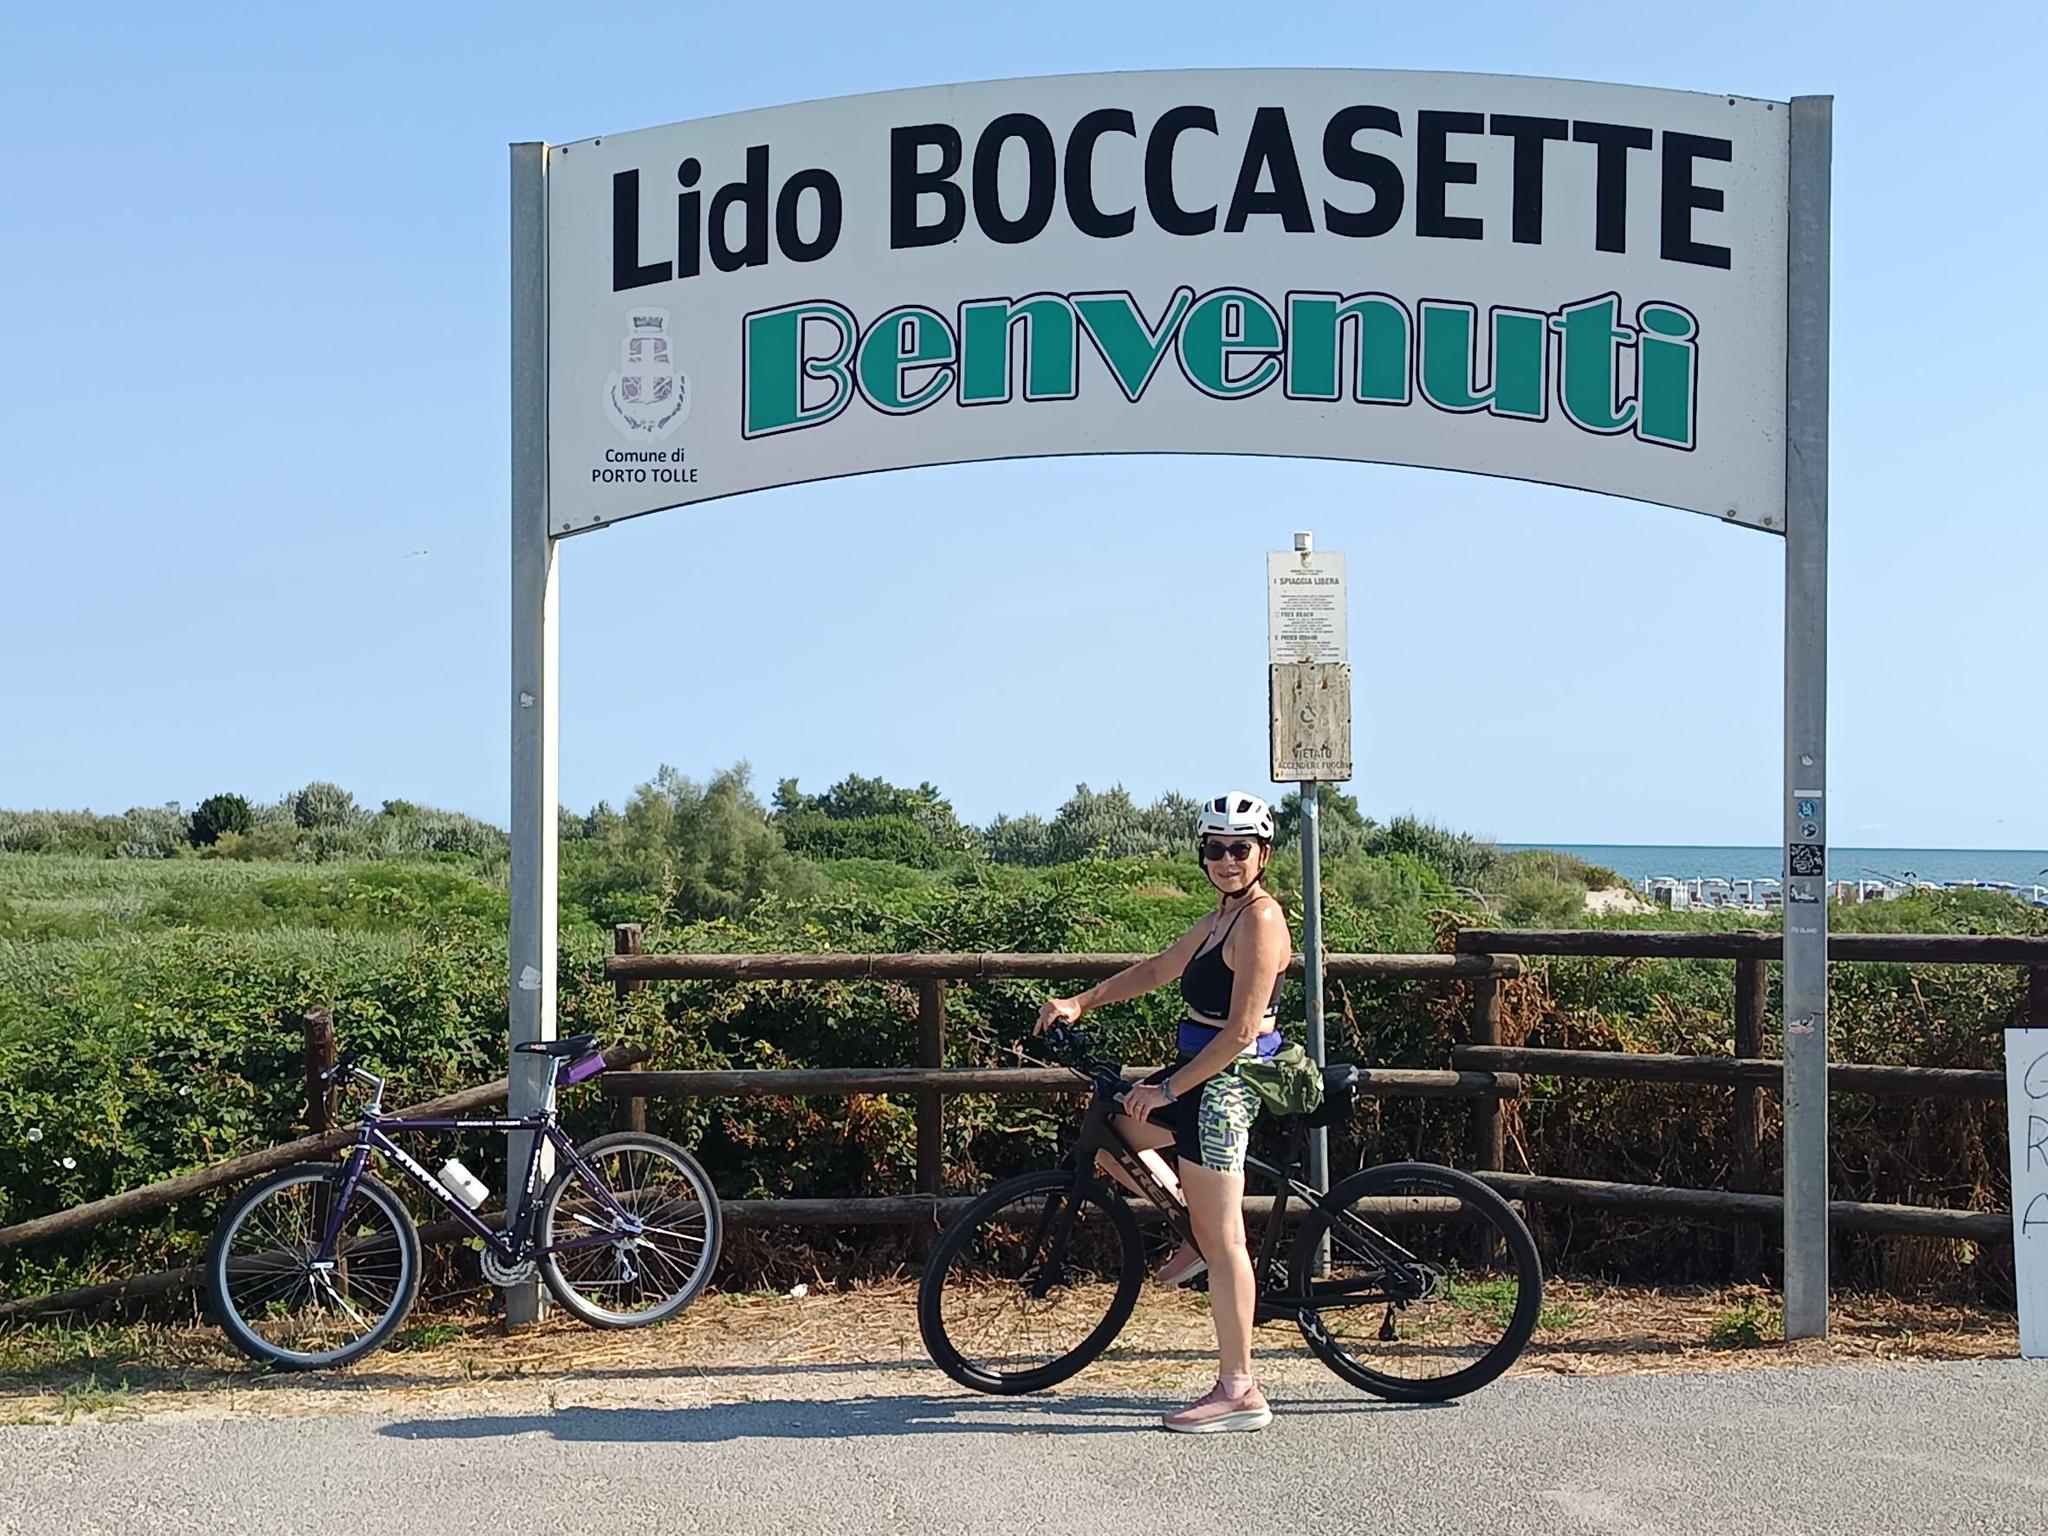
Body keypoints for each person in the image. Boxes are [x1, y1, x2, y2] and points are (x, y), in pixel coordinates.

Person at [1035, 790, 1291, 1434]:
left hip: (1228, 1082)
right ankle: (1191, 1228)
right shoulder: (1220, 918)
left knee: (1226, 1240)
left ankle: (1240, 1390)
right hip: (1198, 1073)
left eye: (1240, 849)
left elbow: (1239, 1033)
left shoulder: (1260, 921)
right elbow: (1156, 970)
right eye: (1216, 849)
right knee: (1110, 1133)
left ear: (1262, 854)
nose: (1227, 860)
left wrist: (1169, 1090)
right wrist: (1080, 1002)